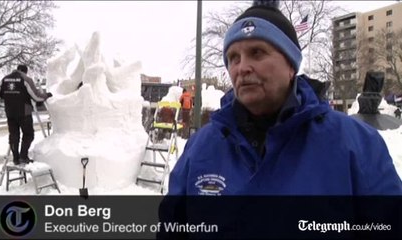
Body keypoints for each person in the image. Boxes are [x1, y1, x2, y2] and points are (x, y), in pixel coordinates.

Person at [167, 1, 402, 196]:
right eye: (233, 57)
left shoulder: (355, 145)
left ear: (291, 65)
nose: (242, 67)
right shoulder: (200, 148)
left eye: (256, 52)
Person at [0, 64, 52, 165]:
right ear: (25, 71)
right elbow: (36, 96)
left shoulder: (4, 79)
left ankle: (15, 158)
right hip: (24, 112)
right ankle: (23, 156)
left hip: (10, 112)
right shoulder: (26, 79)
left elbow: (0, 95)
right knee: (28, 134)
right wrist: (46, 96)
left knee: (14, 135)